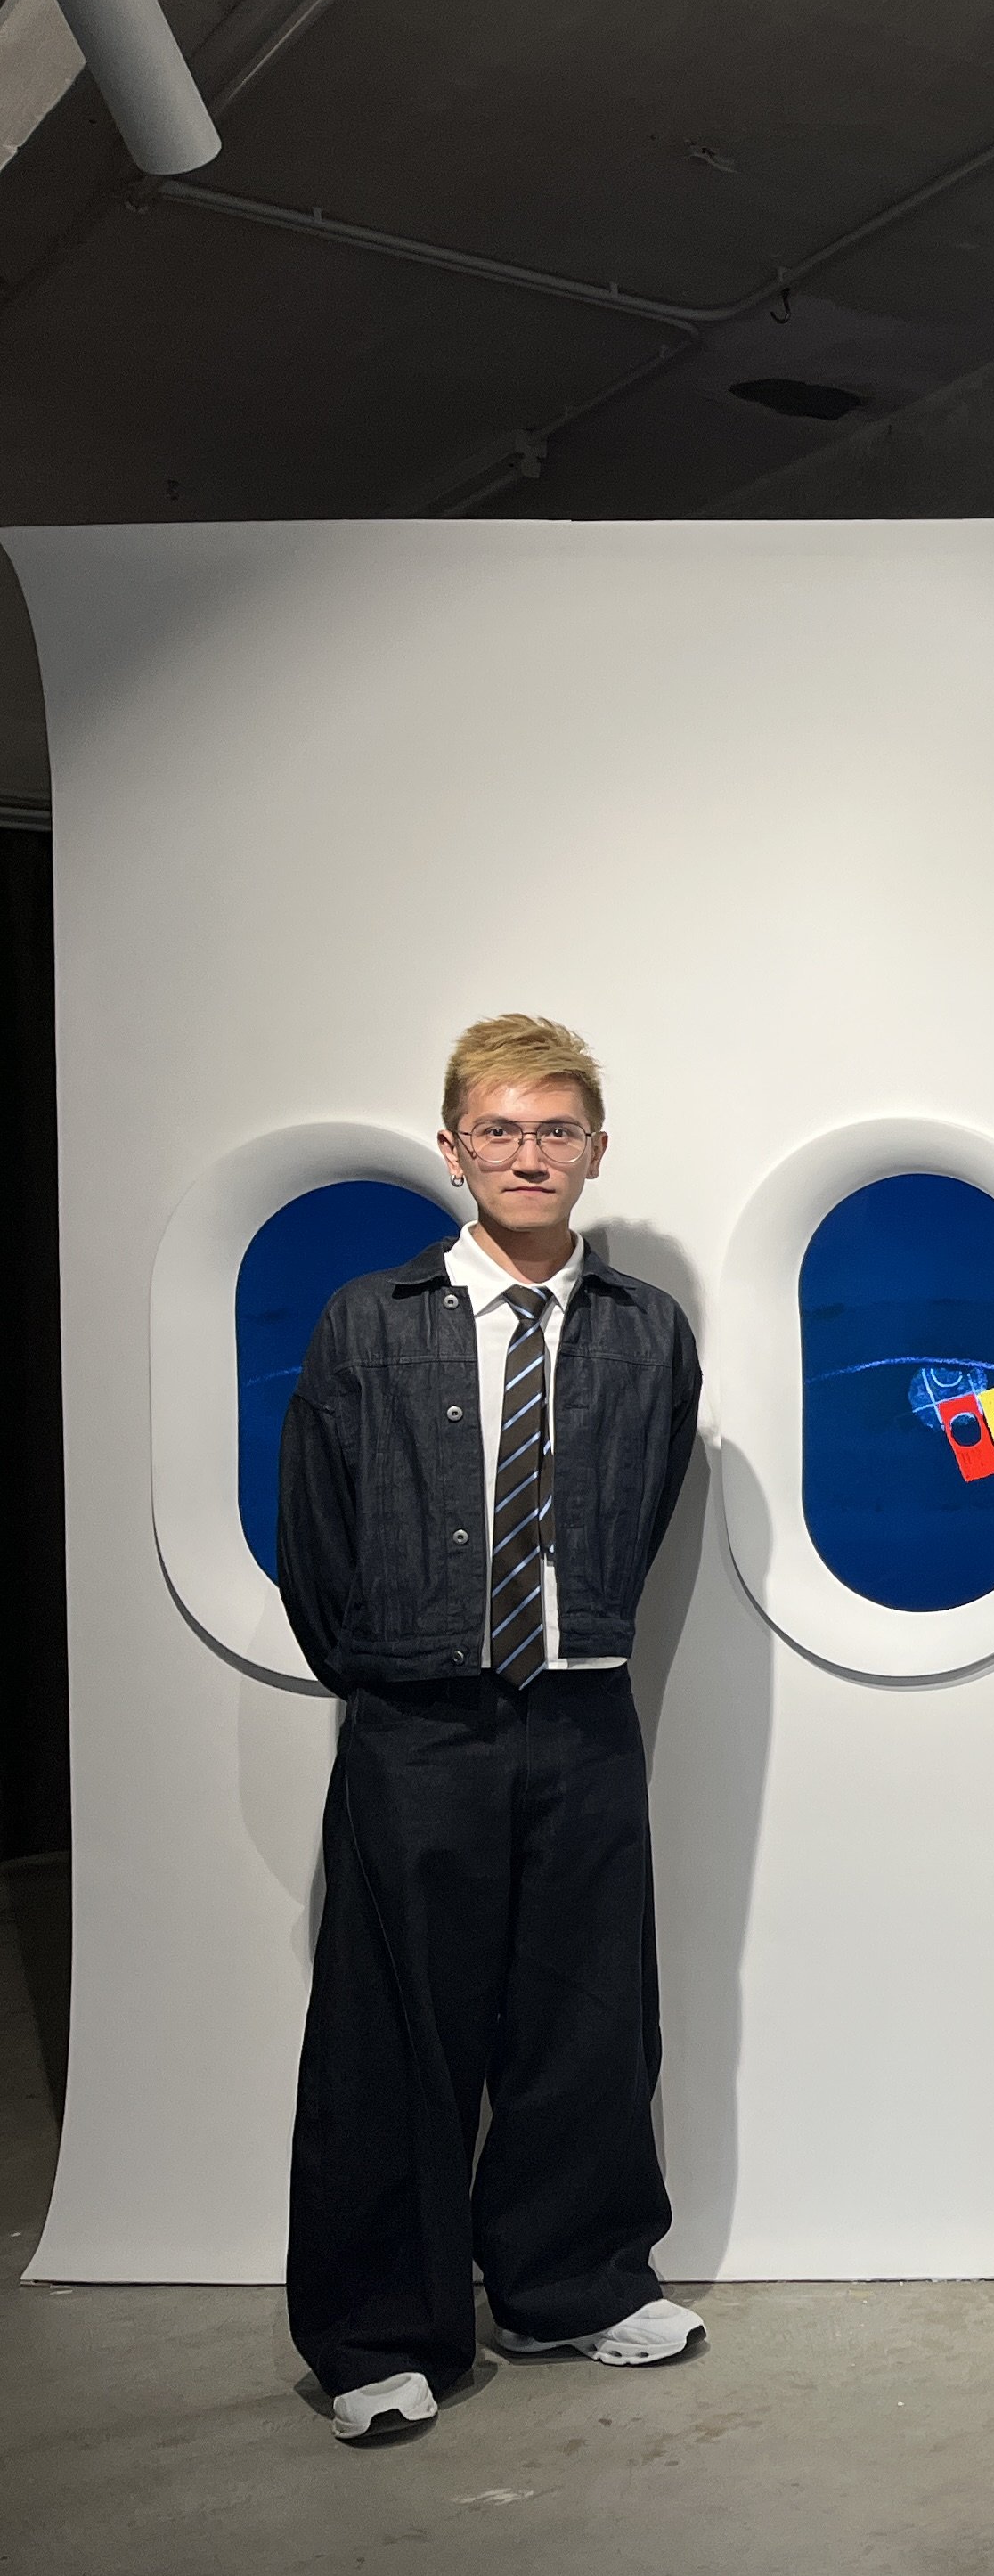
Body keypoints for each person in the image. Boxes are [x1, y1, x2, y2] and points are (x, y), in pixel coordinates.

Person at [276, 1015, 708, 2441]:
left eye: (559, 1130)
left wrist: (562, 1637)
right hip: (418, 1724)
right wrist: (398, 1665)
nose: (532, 1156)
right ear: (455, 1148)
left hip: (579, 1712)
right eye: (503, 1132)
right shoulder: (368, 1321)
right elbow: (316, 1532)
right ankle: (380, 2335)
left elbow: (640, 1516)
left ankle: (568, 2284)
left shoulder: (649, 1334)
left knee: (584, 2015)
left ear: (596, 1149)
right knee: (390, 2031)